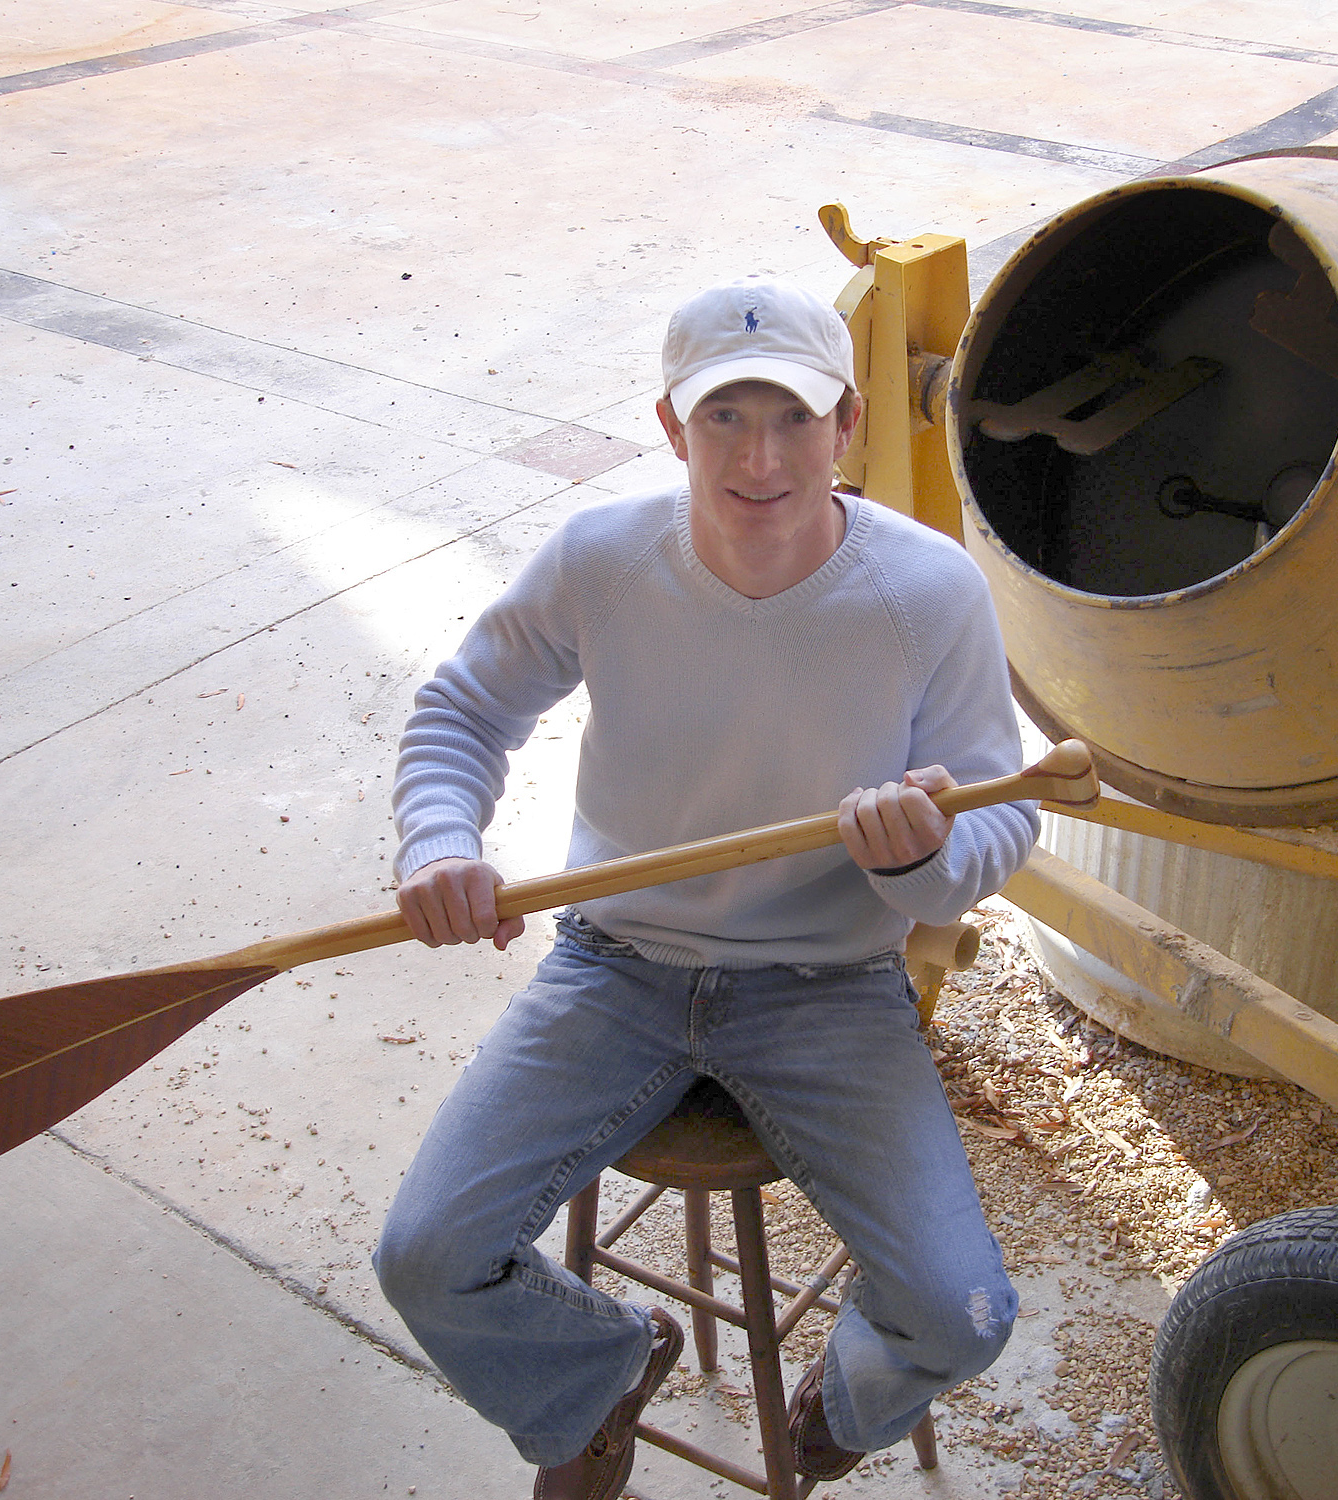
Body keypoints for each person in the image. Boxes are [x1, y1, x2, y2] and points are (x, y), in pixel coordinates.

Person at [372, 276, 1036, 1500]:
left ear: (846, 428)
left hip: (825, 986)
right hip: (613, 965)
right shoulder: (599, 560)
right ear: (671, 428)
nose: (758, 456)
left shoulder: (929, 592)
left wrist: (918, 863)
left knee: (962, 1314)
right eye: (722, 417)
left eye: (790, 417)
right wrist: (437, 846)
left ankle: (834, 1412)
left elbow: (1002, 823)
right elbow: (460, 711)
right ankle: (599, 1375)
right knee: (425, 1255)